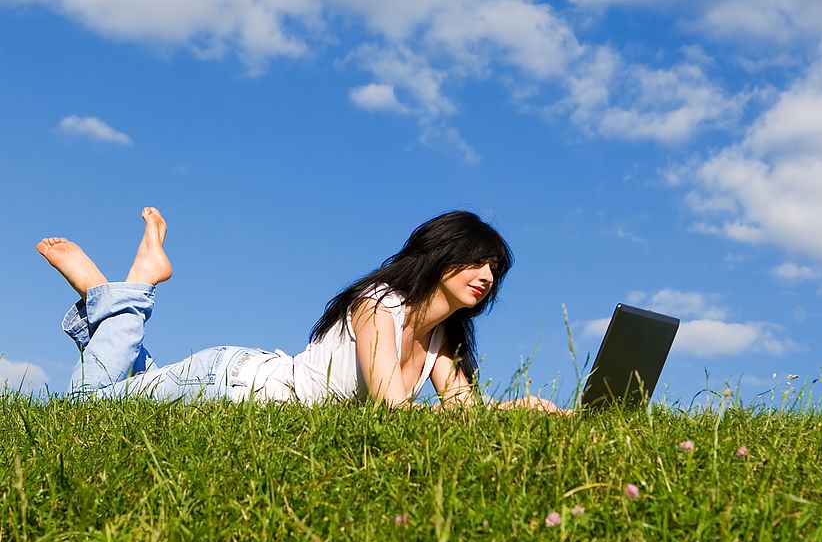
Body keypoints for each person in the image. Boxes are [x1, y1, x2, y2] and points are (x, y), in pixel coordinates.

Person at [36, 206, 566, 413]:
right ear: (440, 255)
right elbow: (390, 410)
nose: (488, 277)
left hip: (239, 394)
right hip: (230, 382)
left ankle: (103, 291)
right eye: (477, 261)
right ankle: (137, 281)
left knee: (131, 387)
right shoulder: (377, 306)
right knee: (88, 407)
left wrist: (528, 413)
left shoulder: (441, 338)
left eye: (495, 269)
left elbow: (460, 416)